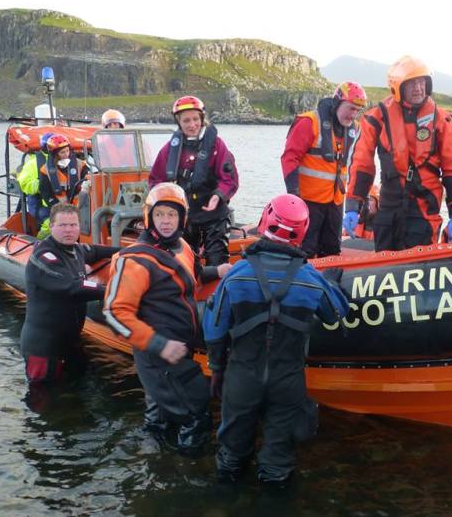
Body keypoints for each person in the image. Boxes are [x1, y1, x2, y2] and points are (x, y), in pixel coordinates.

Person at [203, 194, 350, 487]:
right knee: (278, 460)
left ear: (265, 221)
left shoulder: (237, 276)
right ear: (302, 232)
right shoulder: (310, 278)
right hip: (287, 379)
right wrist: (331, 283)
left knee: (232, 454)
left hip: (242, 376)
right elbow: (336, 313)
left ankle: (227, 499)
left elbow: (214, 329)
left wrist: (217, 371)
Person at [103, 183, 230, 456]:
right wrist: (159, 344)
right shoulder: (136, 260)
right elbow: (115, 312)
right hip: (159, 353)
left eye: (172, 215)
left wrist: (217, 270)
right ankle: (189, 471)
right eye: (160, 214)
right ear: (149, 216)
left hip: (179, 346)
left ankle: (155, 453)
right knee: (196, 412)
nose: (166, 221)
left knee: (160, 410)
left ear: (182, 217)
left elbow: (191, 275)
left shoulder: (182, 246)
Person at [343, 55, 452, 251]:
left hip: (424, 213)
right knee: (384, 265)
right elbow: (361, 164)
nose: (419, 88)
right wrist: (352, 206)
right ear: (397, 87)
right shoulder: (377, 118)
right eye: (412, 84)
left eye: (422, 82)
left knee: (420, 266)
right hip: (388, 210)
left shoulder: (443, 121)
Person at [20, 203, 118, 384]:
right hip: (44, 348)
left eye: (73, 225)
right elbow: (72, 287)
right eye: (62, 225)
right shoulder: (44, 257)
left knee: (74, 396)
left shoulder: (76, 249)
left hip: (69, 343)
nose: (68, 230)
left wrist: (131, 252)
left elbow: (96, 251)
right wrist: (115, 291)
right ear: (51, 227)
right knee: (44, 401)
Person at [148, 95, 239, 266]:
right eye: (186, 120)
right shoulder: (169, 149)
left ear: (202, 119)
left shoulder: (217, 146)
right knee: (183, 260)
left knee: (217, 258)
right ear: (179, 123)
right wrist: (164, 206)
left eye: (196, 119)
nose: (192, 125)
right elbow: (155, 180)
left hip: (214, 213)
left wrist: (218, 196)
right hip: (184, 215)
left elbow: (229, 179)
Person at [281, 82, 367, 257]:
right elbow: (289, 158)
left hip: (335, 202)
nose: (353, 115)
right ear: (337, 103)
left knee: (332, 251)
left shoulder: (355, 129)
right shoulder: (309, 122)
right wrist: (293, 195)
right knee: (305, 251)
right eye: (350, 108)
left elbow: (355, 165)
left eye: (357, 110)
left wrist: (353, 204)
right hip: (308, 202)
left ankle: (328, 283)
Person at [37, 133, 89, 239]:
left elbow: (88, 179)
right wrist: (59, 209)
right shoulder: (45, 170)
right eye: (62, 152)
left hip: (81, 207)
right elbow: (45, 193)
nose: (66, 154)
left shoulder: (81, 165)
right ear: (55, 154)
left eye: (67, 151)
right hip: (59, 208)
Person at [16, 132, 51, 227]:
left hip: (65, 203)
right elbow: (24, 184)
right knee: (50, 224)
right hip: (43, 204)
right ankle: (42, 240)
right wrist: (42, 184)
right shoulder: (33, 163)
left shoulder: (67, 161)